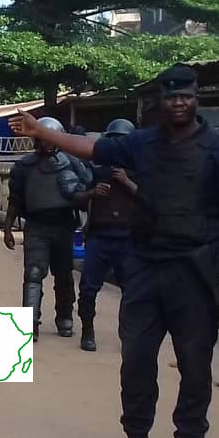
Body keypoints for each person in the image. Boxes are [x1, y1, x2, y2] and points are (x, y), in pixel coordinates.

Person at [10, 66, 219, 438]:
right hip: (145, 267)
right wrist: (43, 132)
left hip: (194, 272)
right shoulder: (142, 144)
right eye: (172, 96)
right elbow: (90, 148)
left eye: (187, 96)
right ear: (161, 100)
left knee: (195, 367)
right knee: (136, 361)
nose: (179, 102)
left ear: (198, 99)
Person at [5, 117, 92, 341]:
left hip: (63, 225)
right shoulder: (24, 167)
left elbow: (85, 190)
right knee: (33, 274)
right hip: (36, 226)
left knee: (64, 277)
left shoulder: (70, 162)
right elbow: (15, 198)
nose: (45, 143)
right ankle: (29, 323)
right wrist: (7, 228)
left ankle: (65, 318)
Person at [76, 118, 141, 353]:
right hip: (99, 236)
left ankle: (128, 336)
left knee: (132, 292)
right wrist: (93, 192)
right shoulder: (97, 171)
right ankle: (87, 331)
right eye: (114, 142)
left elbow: (150, 201)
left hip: (128, 238)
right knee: (88, 289)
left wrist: (127, 182)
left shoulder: (139, 172)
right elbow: (79, 201)